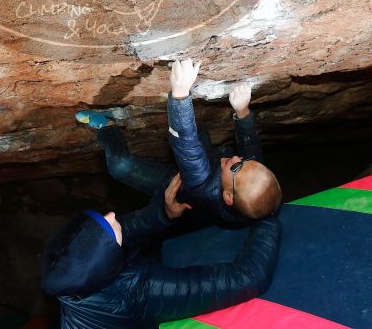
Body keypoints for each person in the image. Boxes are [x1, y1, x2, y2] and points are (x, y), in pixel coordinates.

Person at [41, 174, 281, 328]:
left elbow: (127, 228)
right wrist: (266, 215)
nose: (111, 214)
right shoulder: (133, 290)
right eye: (106, 228)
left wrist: (164, 213)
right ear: (106, 256)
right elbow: (248, 278)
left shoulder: (66, 276)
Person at [75, 59, 281, 228]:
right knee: (201, 136)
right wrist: (242, 111)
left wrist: (181, 94)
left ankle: (108, 126)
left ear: (227, 196)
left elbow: (187, 147)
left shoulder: (204, 183)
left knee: (120, 166)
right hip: (201, 164)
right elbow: (251, 148)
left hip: (174, 183)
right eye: (248, 161)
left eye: (237, 166)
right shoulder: (248, 193)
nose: (238, 157)